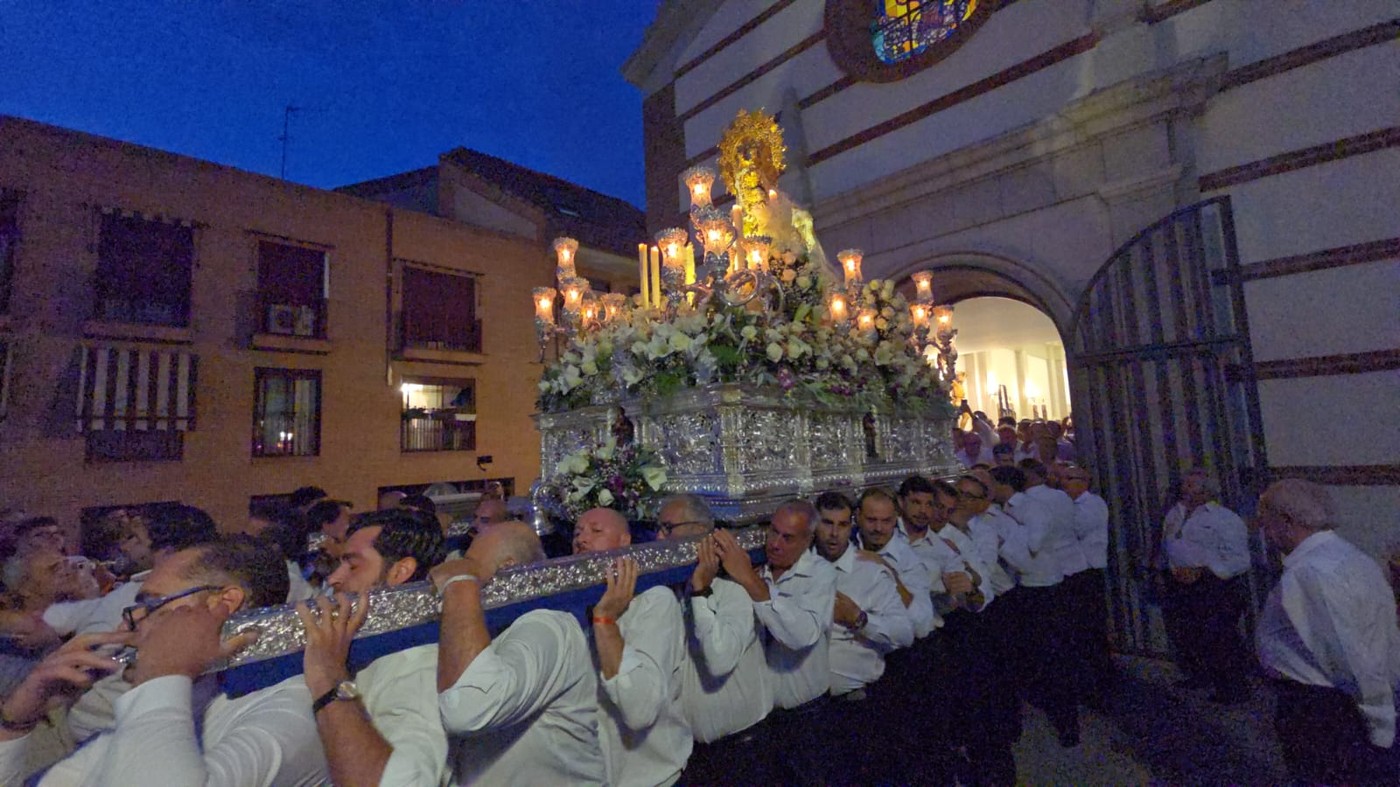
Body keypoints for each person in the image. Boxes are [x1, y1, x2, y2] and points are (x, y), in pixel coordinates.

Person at [0, 535, 329, 785]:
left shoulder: (291, 714)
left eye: (153, 604)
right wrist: (16, 720)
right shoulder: (182, 701)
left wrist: (161, 674)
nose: (127, 624)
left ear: (224, 604)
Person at [433, 522, 607, 785]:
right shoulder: (492, 625)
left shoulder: (550, 626)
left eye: (471, 563)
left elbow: (468, 710)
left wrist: (461, 582)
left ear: (509, 568)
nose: (459, 565)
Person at [1254, 479, 1399, 782]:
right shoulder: (1353, 557)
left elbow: (1346, 656)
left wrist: (1381, 722)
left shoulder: (1310, 573)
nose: (1265, 534)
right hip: (1350, 702)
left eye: (1266, 524)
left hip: (1323, 709)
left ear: (1287, 522)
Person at [296, 508, 449, 787]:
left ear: (400, 571)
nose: (333, 579)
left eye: (353, 566)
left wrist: (329, 677)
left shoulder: (419, 667)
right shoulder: (364, 650)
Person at [712, 499, 835, 784]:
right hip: (765, 721)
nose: (776, 544)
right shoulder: (761, 571)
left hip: (807, 718)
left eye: (787, 537)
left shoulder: (819, 574)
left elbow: (800, 635)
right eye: (773, 532)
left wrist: (748, 580)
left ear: (808, 540)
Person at [572, 507, 691, 787]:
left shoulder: (653, 602)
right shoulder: (571, 605)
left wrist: (605, 621)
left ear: (625, 542)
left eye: (596, 531)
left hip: (652, 779)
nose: (582, 539)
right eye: (577, 533)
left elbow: (640, 710)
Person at [658, 495, 771, 783]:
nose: (659, 536)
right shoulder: (671, 589)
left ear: (699, 531)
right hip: (697, 757)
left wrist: (701, 593)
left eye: (667, 527)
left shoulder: (733, 590)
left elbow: (719, 659)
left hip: (744, 752)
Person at [812, 492, 912, 782]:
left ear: (851, 524)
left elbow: (904, 633)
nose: (833, 533)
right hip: (811, 712)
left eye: (842, 525)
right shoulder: (800, 569)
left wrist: (859, 618)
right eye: (826, 523)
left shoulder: (869, 572)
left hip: (857, 709)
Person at [995, 464, 1080, 747]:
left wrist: (1005, 538)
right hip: (1026, 588)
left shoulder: (1032, 508)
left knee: (1054, 656)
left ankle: (1067, 723)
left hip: (1044, 588)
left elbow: (1033, 545)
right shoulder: (1011, 508)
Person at [1157, 468, 1252, 703]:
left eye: (1191, 485)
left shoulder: (1224, 518)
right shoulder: (1174, 514)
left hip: (1213, 585)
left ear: (1207, 490)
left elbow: (1239, 558)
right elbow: (1169, 544)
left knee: (1220, 637)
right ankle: (1200, 675)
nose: (1184, 489)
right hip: (1180, 582)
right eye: (1184, 484)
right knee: (1190, 633)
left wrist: (1205, 571)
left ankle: (1233, 688)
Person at [1059, 465, 1115, 703]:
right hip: (1071, 574)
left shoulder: (1092, 505)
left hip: (1087, 574)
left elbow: (1072, 530)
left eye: (1068, 479)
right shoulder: (1068, 506)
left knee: (1090, 630)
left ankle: (1100, 683)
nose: (1063, 484)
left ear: (1083, 482)